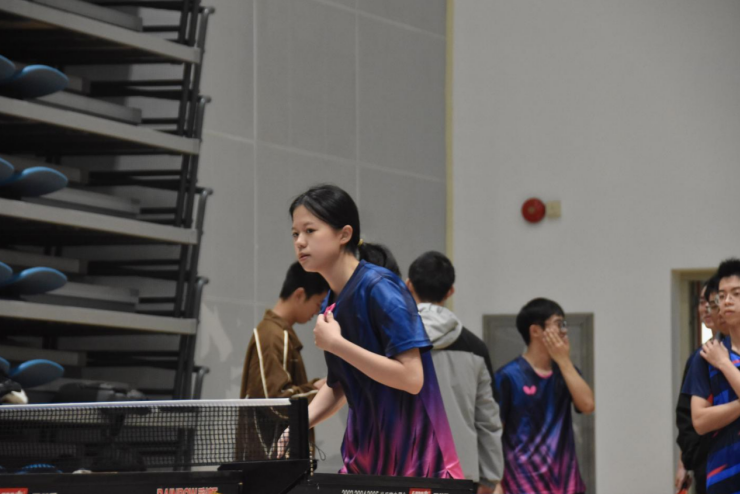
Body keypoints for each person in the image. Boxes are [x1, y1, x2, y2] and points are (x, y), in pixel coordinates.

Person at [289, 184, 463, 478]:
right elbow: (339, 385)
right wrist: (296, 426)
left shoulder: (381, 288)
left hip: (418, 463)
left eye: (310, 230)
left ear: (344, 234)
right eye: (295, 234)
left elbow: (412, 378)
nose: (300, 242)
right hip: (367, 459)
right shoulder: (331, 303)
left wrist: (337, 345)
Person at [406, 250, 503, 492]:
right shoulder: (475, 347)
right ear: (450, 291)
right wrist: (490, 479)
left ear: (408, 286)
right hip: (460, 475)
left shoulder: (392, 340)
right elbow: (488, 420)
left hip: (401, 470)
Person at [495, 298, 595, 494]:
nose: (564, 331)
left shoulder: (566, 371)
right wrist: (495, 481)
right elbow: (495, 433)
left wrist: (564, 360)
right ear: (535, 331)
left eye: (564, 325)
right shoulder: (508, 376)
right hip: (522, 485)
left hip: (566, 485)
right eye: (558, 324)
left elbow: (588, 405)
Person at [683, 259, 740, 494]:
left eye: (736, 294)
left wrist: (725, 364)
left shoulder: (719, 359)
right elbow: (699, 421)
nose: (727, 301)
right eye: (722, 296)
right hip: (723, 477)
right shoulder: (706, 356)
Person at [240, 261, 328, 400]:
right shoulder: (272, 335)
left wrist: (313, 388)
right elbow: (275, 401)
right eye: (319, 303)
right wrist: (317, 391)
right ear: (299, 295)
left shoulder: (276, 333)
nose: (318, 312)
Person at [675, 278, 719, 494]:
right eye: (703, 302)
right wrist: (686, 461)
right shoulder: (698, 358)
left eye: (713, 302)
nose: (707, 308)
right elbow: (687, 418)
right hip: (707, 464)